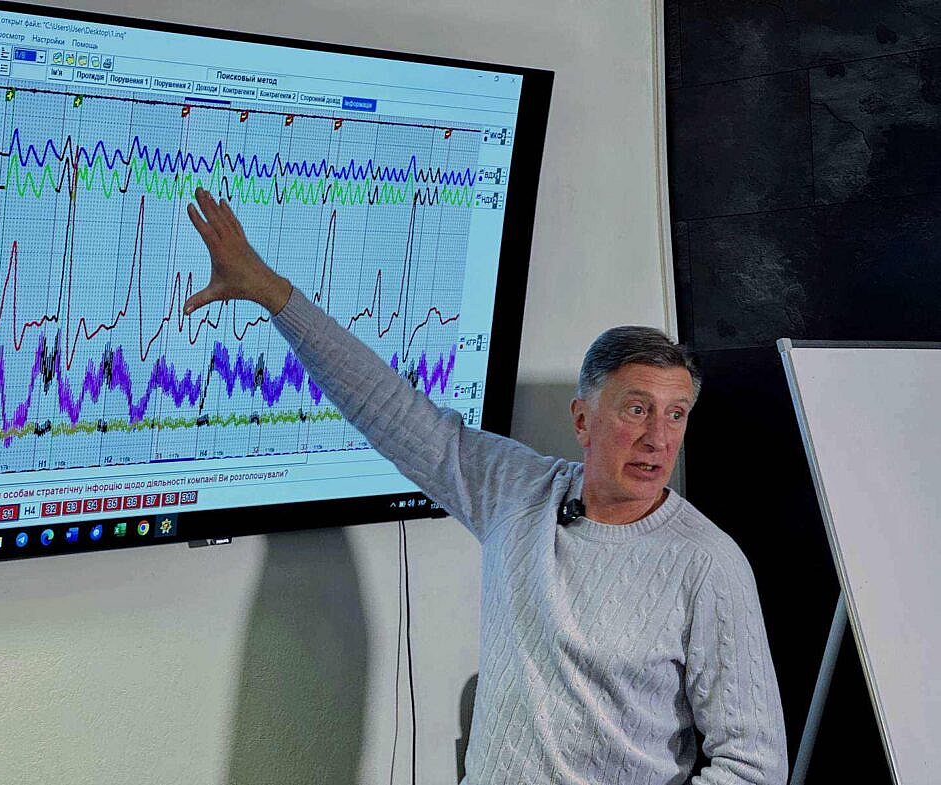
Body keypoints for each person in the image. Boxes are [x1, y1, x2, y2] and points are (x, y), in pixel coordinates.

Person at [182, 187, 788, 785]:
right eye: (637, 409)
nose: (658, 437)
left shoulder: (707, 564)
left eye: (676, 414)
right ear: (583, 420)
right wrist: (275, 295)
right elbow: (388, 408)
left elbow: (753, 768)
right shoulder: (517, 493)